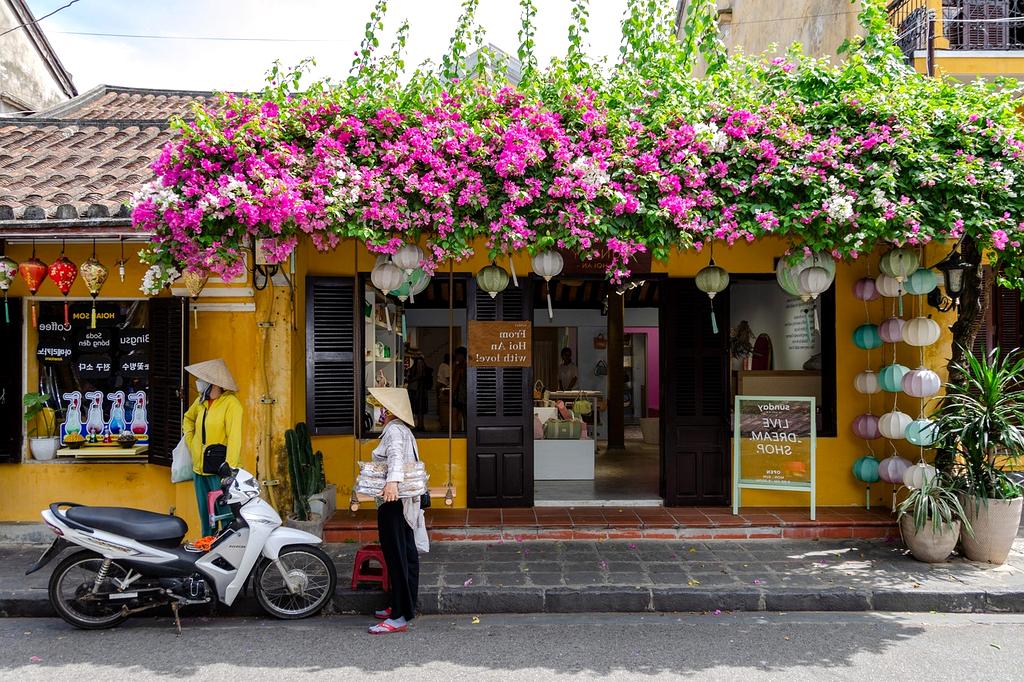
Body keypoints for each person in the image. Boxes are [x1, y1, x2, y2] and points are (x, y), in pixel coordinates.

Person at [367, 387, 428, 635]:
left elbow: (395, 458)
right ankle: (403, 606)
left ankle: (399, 616)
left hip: (394, 500)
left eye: (382, 407)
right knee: (406, 553)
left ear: (390, 410)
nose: (379, 411)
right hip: (404, 501)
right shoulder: (403, 430)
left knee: (397, 556)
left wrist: (391, 483)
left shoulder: (393, 431)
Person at [182, 358, 243, 537]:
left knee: (225, 516)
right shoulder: (201, 401)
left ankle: (226, 548)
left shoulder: (231, 404)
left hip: (220, 471)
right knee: (206, 517)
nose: (199, 383)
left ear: (214, 383)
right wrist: (191, 441)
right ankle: (206, 546)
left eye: (203, 380)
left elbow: (234, 438)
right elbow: (188, 418)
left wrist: (229, 471)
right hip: (199, 470)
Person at [404, 348, 432, 431]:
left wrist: (410, 380)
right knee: (419, 407)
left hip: (419, 388)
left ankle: (420, 425)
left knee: (419, 407)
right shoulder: (418, 361)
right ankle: (420, 425)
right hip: (418, 387)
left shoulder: (419, 361)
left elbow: (419, 375)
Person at [450, 346, 468, 431]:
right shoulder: (460, 366)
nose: (456, 357)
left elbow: (456, 380)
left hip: (461, 394)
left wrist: (452, 392)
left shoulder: (462, 367)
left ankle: (456, 432)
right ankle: (462, 432)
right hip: (462, 394)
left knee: (457, 414)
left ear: (462, 355)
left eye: (457, 355)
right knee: (462, 414)